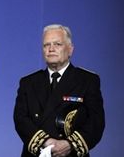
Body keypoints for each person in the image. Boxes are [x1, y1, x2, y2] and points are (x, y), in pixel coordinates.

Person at [13, 24, 105, 157]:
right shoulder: (28, 82)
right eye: (46, 45)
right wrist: (46, 142)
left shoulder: (87, 80)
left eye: (57, 44)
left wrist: (69, 144)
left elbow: (96, 122)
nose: (51, 49)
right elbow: (20, 119)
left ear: (70, 49)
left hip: (70, 153)